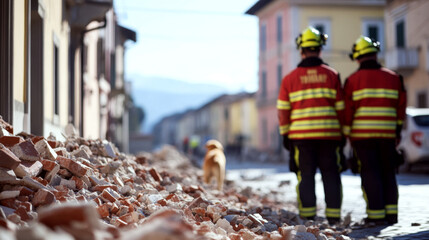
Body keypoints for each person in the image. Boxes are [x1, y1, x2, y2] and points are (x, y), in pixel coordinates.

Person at [277, 27, 346, 225]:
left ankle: (308, 217)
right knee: (331, 175)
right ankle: (334, 217)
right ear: (320, 48)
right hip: (329, 136)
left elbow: (283, 110)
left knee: (305, 176)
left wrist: (285, 135)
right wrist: (343, 133)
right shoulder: (332, 75)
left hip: (301, 137)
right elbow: (340, 107)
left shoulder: (289, 78)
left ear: (301, 50)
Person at [344, 36, 406, 225]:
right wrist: (396, 132)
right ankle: (392, 215)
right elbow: (400, 108)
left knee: (370, 174)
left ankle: (375, 216)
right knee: (388, 173)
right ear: (376, 54)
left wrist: (347, 136)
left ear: (357, 56)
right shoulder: (394, 78)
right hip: (387, 136)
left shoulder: (352, 80)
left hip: (362, 138)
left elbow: (347, 111)